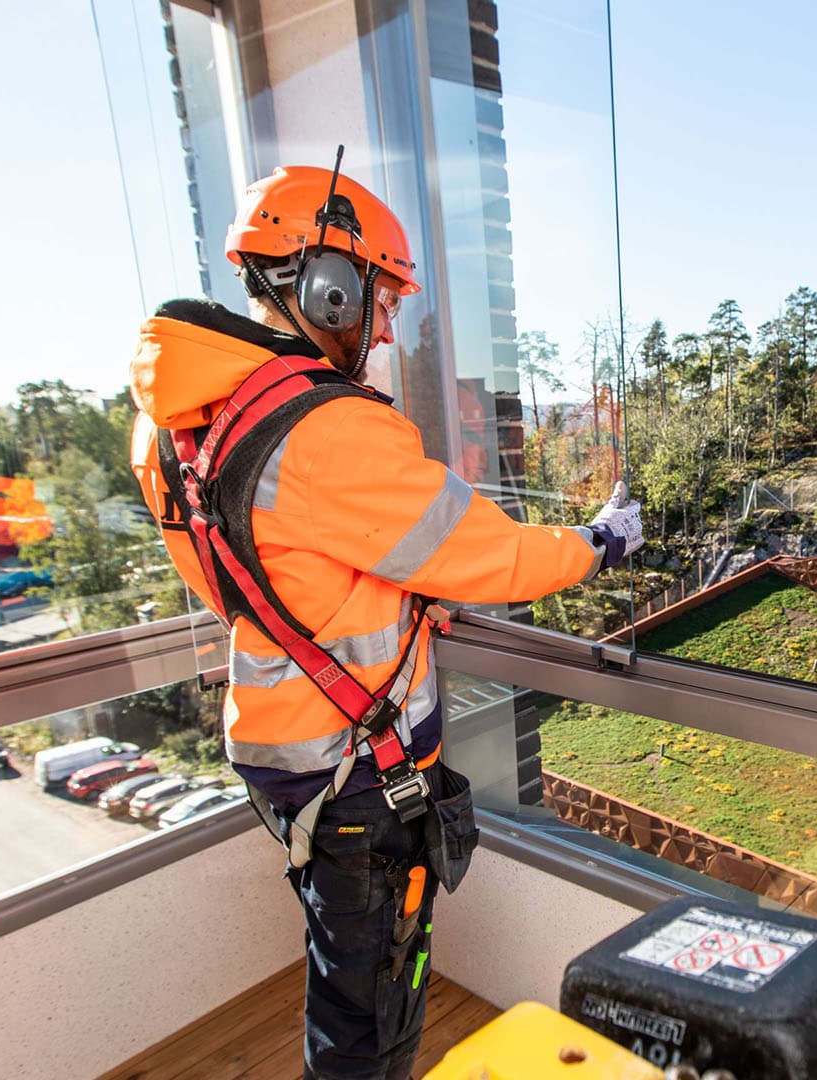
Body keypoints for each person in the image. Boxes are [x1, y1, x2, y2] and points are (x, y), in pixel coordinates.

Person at [128, 161, 643, 1080]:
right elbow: (499, 555)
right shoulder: (327, 430)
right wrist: (599, 540)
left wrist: (395, 597)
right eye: (382, 294)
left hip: (278, 747)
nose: (388, 322)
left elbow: (258, 576)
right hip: (358, 772)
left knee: (344, 963)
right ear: (327, 284)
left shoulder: (175, 427)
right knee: (371, 1008)